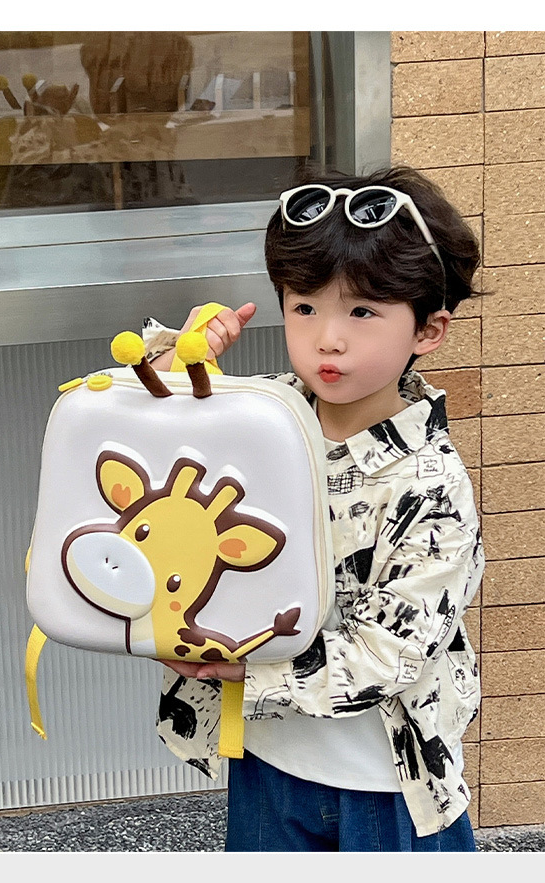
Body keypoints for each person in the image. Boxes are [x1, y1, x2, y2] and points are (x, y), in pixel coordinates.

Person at [143, 164, 484, 852]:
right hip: (269, 756)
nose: (328, 337)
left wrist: (245, 673)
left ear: (428, 330)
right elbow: (164, 456)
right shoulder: (266, 415)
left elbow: (390, 655)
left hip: (384, 782)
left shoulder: (432, 484)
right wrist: (178, 366)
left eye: (362, 311)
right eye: (304, 307)